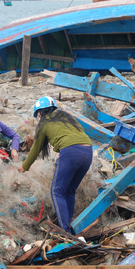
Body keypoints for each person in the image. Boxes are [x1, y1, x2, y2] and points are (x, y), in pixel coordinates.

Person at [18, 96, 93, 233]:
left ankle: (64, 231)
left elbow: (36, 149)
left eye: (38, 115)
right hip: (88, 152)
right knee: (69, 191)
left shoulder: (44, 124)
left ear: (40, 113)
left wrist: (24, 167)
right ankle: (70, 225)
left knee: (56, 191)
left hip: (70, 153)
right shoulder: (66, 117)